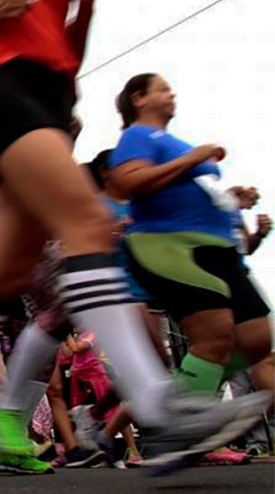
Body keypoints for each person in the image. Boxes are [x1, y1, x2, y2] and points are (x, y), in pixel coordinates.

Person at [0, 2, 268, 489]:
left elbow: (63, 49)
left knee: (4, 279)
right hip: (3, 93)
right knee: (88, 225)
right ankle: (160, 411)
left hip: (48, 101)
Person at [109, 72, 275, 468]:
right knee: (214, 337)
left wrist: (234, 199)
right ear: (139, 98)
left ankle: (178, 404)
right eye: (163, 89)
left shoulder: (175, 143)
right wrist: (194, 157)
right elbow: (132, 182)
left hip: (219, 247)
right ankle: (176, 430)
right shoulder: (138, 137)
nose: (172, 94)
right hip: (171, 244)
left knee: (255, 339)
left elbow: (193, 192)